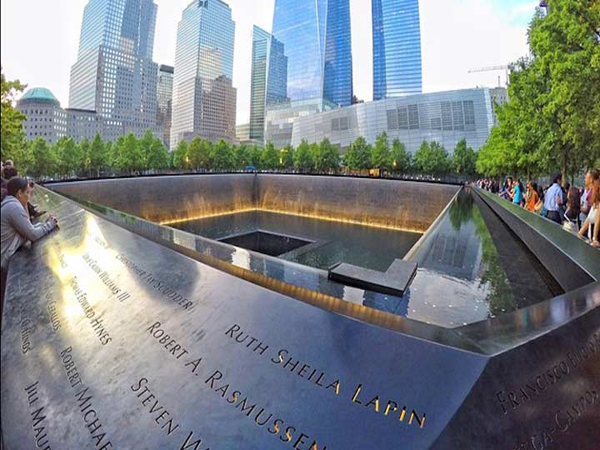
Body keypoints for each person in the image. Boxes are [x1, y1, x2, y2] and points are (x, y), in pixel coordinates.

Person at [1, 177, 58, 308]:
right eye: (27, 192)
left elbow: (28, 228)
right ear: (19, 193)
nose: (29, 196)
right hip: (4, 264)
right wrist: (50, 225)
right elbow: (32, 235)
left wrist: (44, 223)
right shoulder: (13, 207)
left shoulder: (11, 203)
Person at [578, 179, 600, 248]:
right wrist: (579, 234)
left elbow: (597, 221)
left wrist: (594, 238)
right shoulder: (594, 205)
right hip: (591, 240)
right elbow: (587, 222)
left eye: (592, 190)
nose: (590, 192)